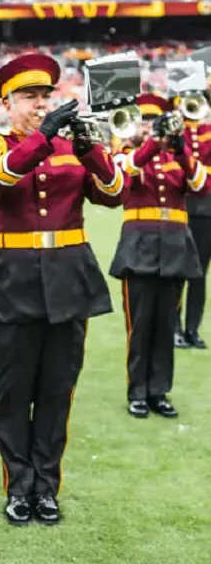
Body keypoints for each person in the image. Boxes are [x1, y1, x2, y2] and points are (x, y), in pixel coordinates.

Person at [0, 53, 126, 526]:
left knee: (58, 390)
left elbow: (115, 192)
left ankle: (47, 486)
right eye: (29, 97)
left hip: (68, 280)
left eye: (45, 96)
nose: (39, 104)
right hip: (12, 280)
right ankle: (19, 486)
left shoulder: (70, 144)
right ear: (7, 103)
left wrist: (89, 146)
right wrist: (42, 138)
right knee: (14, 392)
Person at [111, 94, 208, 419]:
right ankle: (137, 391)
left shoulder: (176, 157)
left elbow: (200, 185)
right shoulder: (128, 155)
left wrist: (181, 151)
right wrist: (153, 144)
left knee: (166, 325)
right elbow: (124, 172)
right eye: (145, 122)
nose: (151, 129)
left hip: (175, 248)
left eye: (155, 123)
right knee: (140, 325)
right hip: (139, 247)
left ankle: (158, 391)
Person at [176, 102, 211, 348]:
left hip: (207, 208)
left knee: (199, 273)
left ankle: (192, 329)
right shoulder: (179, 132)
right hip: (183, 205)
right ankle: (174, 328)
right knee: (177, 271)